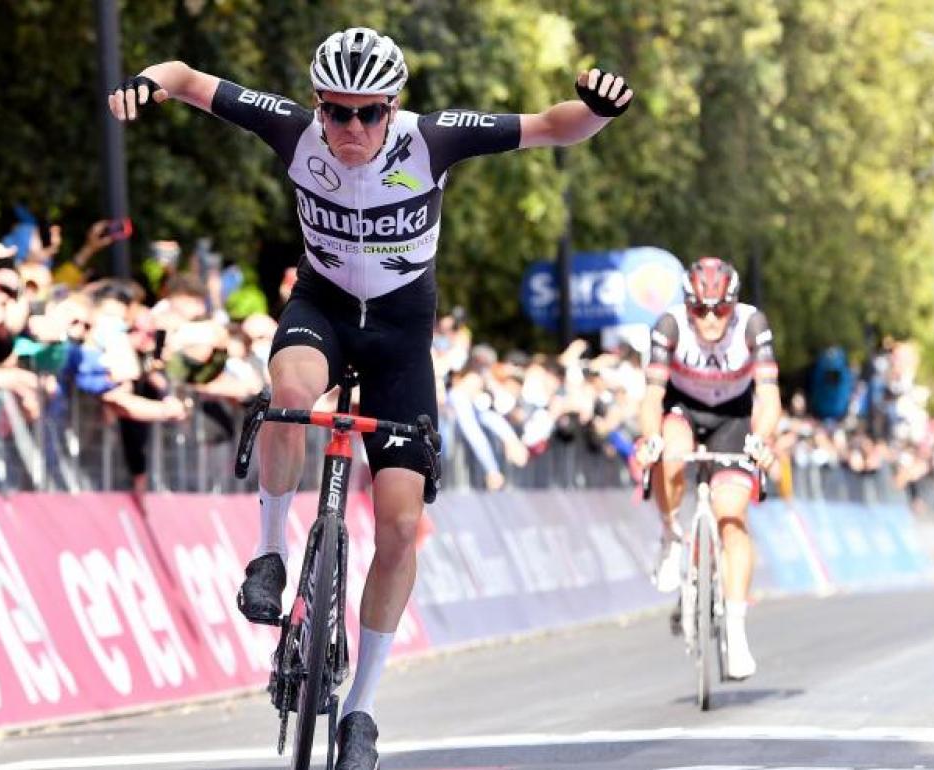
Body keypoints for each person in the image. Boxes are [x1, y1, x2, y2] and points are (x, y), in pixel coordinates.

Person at [110, 27, 633, 768]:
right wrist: (147, 81)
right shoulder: (294, 131)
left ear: (393, 109)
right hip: (320, 309)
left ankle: (362, 711)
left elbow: (555, 128)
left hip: (397, 334)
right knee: (288, 395)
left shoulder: (435, 139)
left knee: (397, 523)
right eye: (335, 112)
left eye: (368, 113)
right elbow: (190, 77)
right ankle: (268, 556)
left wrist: (599, 109)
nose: (350, 129)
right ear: (317, 107)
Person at [633, 257, 780, 680]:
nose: (711, 320)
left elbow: (769, 396)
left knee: (732, 517)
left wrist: (762, 440)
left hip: (734, 415)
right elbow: (651, 395)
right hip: (683, 408)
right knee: (672, 452)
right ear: (687, 305)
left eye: (720, 310)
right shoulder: (669, 326)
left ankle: (735, 630)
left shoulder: (752, 324)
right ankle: (670, 534)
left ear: (734, 305)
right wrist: (650, 439)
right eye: (701, 309)